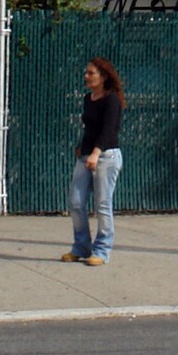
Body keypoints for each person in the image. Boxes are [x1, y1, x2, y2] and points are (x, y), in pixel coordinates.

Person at [63, 57, 124, 265]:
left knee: (103, 204)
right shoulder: (89, 99)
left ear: (103, 76)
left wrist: (96, 153)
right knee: (76, 201)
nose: (86, 77)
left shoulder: (112, 99)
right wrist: (82, 148)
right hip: (85, 156)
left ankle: (102, 250)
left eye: (91, 73)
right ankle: (81, 246)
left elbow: (109, 130)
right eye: (86, 73)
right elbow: (89, 128)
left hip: (106, 157)